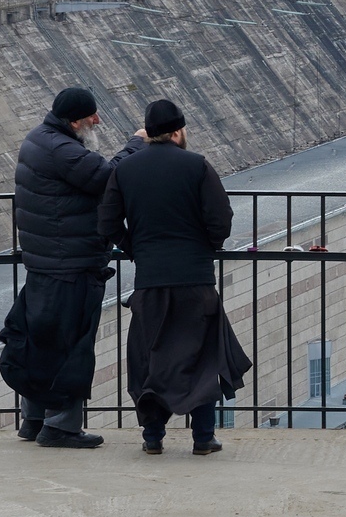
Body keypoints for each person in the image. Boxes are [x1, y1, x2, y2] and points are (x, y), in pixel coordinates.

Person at [100, 99, 252, 455]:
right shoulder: (197, 165)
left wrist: (136, 248)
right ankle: (203, 438)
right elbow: (221, 220)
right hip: (195, 279)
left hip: (150, 280)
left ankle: (153, 438)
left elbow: (106, 223)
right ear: (178, 132)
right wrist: (206, 247)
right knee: (201, 359)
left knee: (151, 359)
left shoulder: (125, 170)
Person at [0, 86, 142, 450]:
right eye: (92, 115)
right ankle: (61, 427)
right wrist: (136, 145)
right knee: (70, 347)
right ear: (75, 121)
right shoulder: (61, 149)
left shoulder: (39, 138)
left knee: (43, 343)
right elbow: (107, 176)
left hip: (46, 262)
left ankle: (34, 419)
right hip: (70, 264)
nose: (98, 120)